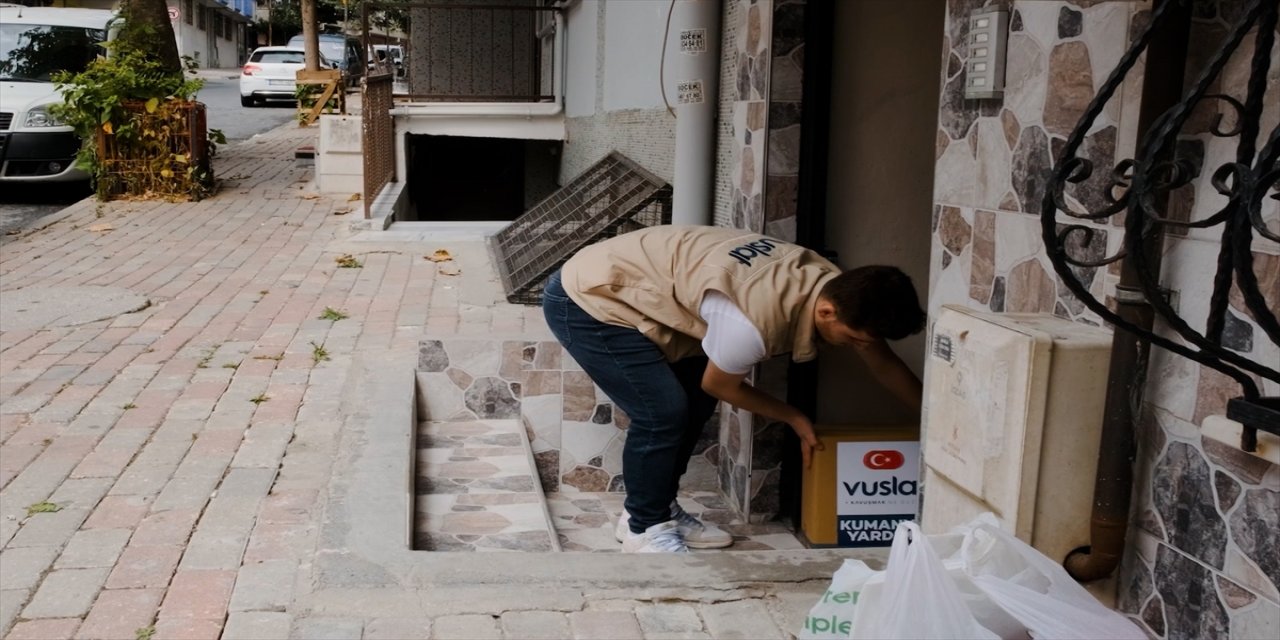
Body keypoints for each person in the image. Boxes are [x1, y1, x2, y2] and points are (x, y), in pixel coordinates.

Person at [541, 225, 926, 553]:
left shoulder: (841, 290)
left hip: (645, 283)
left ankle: (655, 506)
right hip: (591, 296)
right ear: (826, 313)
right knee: (662, 413)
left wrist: (933, 430)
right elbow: (721, 384)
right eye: (856, 340)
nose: (860, 346)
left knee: (693, 403)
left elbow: (885, 363)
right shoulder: (753, 322)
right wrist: (793, 416)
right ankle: (644, 528)